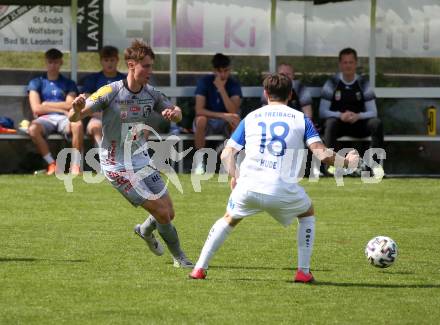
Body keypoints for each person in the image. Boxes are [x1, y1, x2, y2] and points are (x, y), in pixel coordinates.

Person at [189, 73, 360, 282]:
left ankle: (199, 268)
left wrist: (235, 176)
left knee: (229, 218)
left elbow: (226, 153)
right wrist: (347, 162)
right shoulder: (300, 118)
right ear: (290, 94)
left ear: (265, 93)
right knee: (307, 213)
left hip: (249, 185)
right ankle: (303, 272)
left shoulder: (251, 117)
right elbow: (321, 154)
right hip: (281, 187)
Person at [68, 40, 193, 268]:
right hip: (117, 166)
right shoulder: (110, 92)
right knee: (162, 213)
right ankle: (180, 258)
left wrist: (173, 114)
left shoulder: (151, 93)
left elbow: (178, 113)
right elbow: (76, 117)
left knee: (169, 212)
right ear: (131, 65)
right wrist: (76, 110)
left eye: (151, 66)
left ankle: (144, 230)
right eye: (145, 66)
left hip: (141, 159)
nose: (149, 71)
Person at [319, 47, 384, 175]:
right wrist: (340, 115)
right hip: (338, 125)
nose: (348, 65)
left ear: (356, 64)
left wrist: (359, 116)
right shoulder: (332, 83)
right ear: (340, 64)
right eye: (345, 62)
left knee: (376, 123)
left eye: (351, 62)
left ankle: (373, 166)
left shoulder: (363, 83)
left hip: (358, 124)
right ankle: (330, 166)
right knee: (331, 123)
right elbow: (322, 111)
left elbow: (373, 112)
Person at [27, 48, 82, 175]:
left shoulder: (68, 83)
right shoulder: (36, 82)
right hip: (45, 118)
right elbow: (36, 108)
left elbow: (70, 105)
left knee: (77, 125)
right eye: (50, 62)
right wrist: (60, 109)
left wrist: (47, 104)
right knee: (33, 129)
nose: (53, 65)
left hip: (64, 118)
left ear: (61, 63)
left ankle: (75, 166)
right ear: (46, 62)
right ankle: (51, 163)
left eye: (56, 62)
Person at [193, 53, 242, 174]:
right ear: (214, 70)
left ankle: (231, 160)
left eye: (226, 71)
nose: (223, 74)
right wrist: (223, 115)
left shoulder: (233, 83)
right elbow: (199, 110)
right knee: (200, 120)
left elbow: (233, 110)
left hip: (225, 122)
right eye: (220, 71)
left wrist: (221, 89)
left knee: (235, 119)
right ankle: (199, 162)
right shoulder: (205, 82)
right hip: (209, 120)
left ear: (229, 69)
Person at [81, 45, 126, 145]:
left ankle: (129, 158)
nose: (109, 63)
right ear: (101, 61)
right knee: (94, 127)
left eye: (112, 60)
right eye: (106, 60)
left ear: (117, 60)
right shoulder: (93, 79)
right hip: (98, 117)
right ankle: (102, 156)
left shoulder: (125, 79)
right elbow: (87, 103)